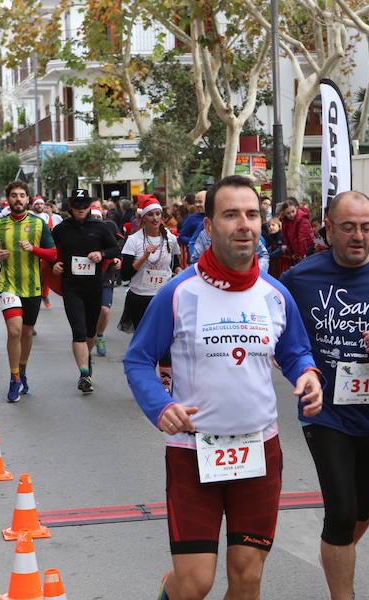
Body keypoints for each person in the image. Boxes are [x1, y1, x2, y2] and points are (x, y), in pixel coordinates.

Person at [124, 175, 323, 600]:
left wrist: (307, 374)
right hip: (193, 452)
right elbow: (138, 359)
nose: (244, 224)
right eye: (230, 215)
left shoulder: (276, 294)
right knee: (194, 583)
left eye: (251, 214)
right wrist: (160, 406)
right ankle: (170, 588)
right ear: (210, 226)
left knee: (247, 577)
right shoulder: (179, 293)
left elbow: (295, 351)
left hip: (258, 449)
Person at [281, 191, 369, 600]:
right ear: (328, 228)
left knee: (361, 511)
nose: (359, 236)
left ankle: (336, 550)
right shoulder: (301, 278)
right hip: (323, 411)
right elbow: (277, 330)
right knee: (342, 512)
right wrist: (290, 360)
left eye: (366, 227)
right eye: (348, 227)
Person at [0, 180, 56, 403]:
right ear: (8, 199)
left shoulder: (39, 224)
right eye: (14, 195)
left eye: (22, 195)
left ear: (28, 199)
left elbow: (53, 254)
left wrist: (34, 249)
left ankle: (23, 370)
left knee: (26, 333)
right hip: (8, 285)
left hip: (33, 287)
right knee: (14, 331)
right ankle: (14, 377)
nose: (18, 199)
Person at [51, 189, 120, 394]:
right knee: (78, 330)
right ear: (70, 207)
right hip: (71, 286)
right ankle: (84, 374)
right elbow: (50, 250)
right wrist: (55, 263)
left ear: (90, 206)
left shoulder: (100, 227)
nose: (81, 209)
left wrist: (101, 253)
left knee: (90, 331)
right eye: (77, 205)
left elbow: (115, 248)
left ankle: (85, 359)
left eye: (85, 204)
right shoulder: (62, 229)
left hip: (94, 285)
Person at [118, 195, 180, 386]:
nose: (155, 218)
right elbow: (126, 274)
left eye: (158, 214)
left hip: (163, 297)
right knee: (144, 342)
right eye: (150, 214)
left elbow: (176, 265)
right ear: (143, 218)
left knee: (166, 341)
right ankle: (140, 376)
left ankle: (165, 384)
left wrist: (179, 273)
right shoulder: (134, 241)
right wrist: (145, 256)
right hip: (140, 298)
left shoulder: (170, 238)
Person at [89, 199, 122, 357]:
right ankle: (89, 335)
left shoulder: (109, 229)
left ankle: (100, 336)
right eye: (92, 218)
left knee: (105, 310)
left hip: (105, 276)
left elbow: (117, 247)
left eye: (98, 218)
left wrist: (118, 259)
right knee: (89, 312)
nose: (95, 221)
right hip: (86, 278)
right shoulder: (83, 232)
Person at [280, 197, 315, 262]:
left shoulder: (302, 220)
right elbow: (287, 239)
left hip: (306, 254)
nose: (291, 214)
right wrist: (292, 253)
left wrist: (303, 255)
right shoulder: (286, 222)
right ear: (284, 213)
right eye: (288, 213)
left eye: (293, 211)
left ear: (296, 208)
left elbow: (303, 240)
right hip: (297, 255)